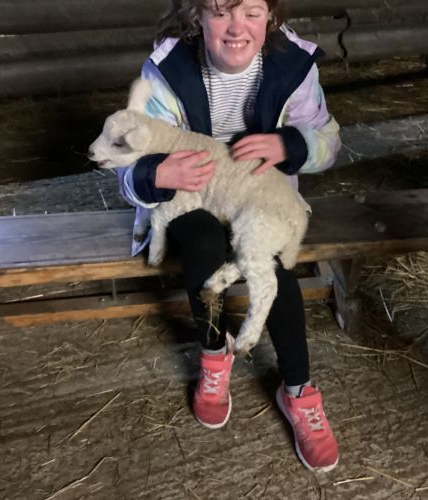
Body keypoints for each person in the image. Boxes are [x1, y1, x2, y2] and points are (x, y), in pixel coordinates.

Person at [117, 0, 341, 472]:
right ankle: (214, 354)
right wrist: (157, 173)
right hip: (194, 194)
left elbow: (328, 140)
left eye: (252, 13)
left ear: (271, 18)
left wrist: (290, 144)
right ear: (197, 16)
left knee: (272, 265)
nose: (236, 28)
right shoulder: (168, 71)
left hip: (256, 194)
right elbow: (128, 160)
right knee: (204, 243)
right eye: (221, 12)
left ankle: (298, 389)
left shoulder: (293, 65)